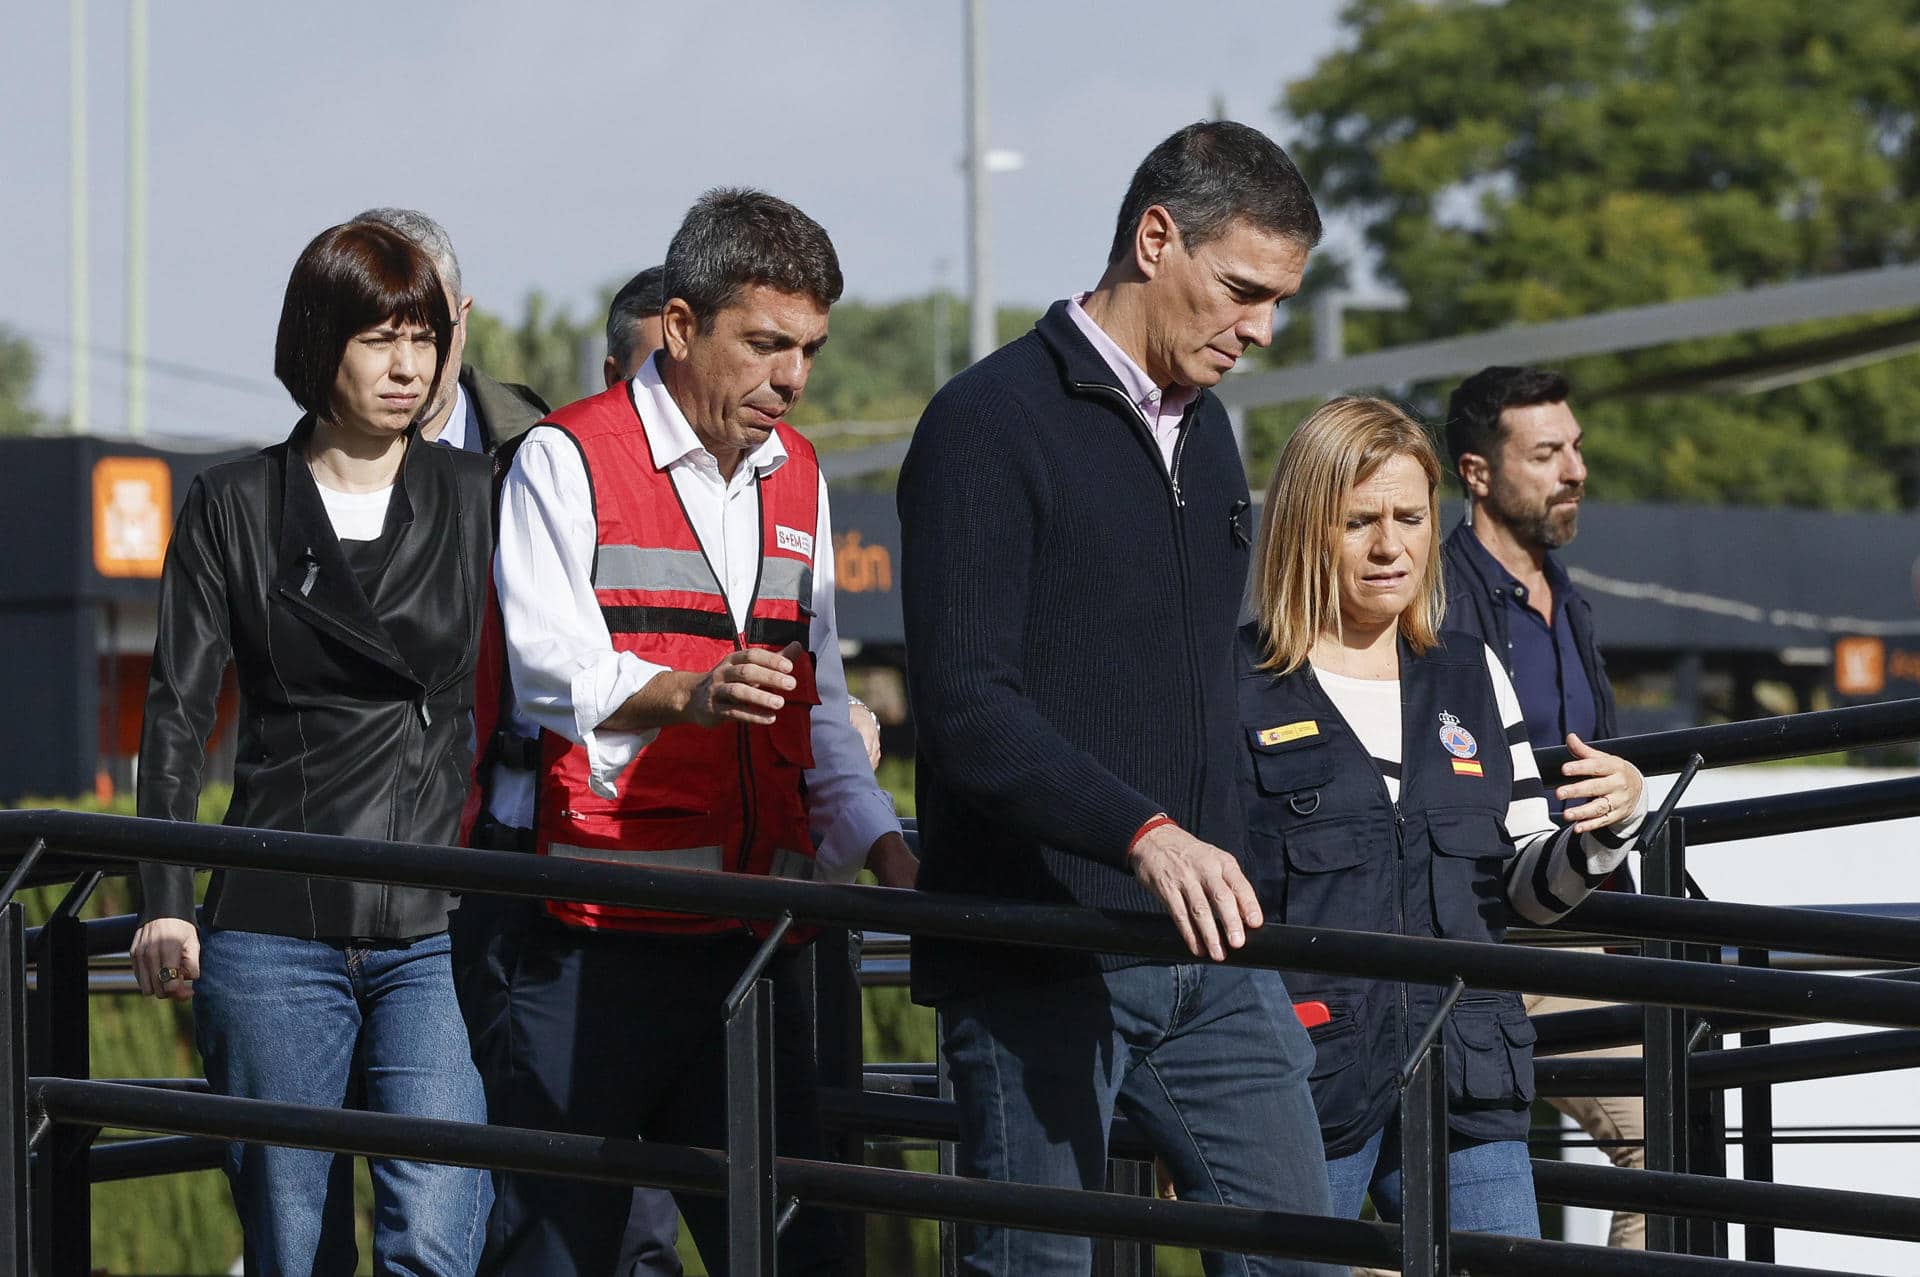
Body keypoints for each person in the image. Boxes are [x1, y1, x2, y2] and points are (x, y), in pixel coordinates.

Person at [899, 120, 1338, 1277]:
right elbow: (964, 705)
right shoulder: (986, 424)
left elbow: (1204, 690)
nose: (1263, 329)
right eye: (1244, 289)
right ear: (1156, 239)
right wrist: (1141, 834)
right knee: (1034, 1268)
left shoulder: (1210, 432)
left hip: (1207, 955)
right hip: (1037, 952)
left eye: (1282, 300)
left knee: (1302, 1252)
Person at [478, 187, 914, 1277]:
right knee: (555, 1252)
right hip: (597, 942)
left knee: (802, 1251)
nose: (795, 377)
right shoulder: (563, 457)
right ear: (679, 328)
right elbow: (545, 670)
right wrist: (694, 691)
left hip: (758, 944)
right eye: (766, 343)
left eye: (810, 347)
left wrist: (885, 846)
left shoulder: (801, 472)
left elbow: (812, 707)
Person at [128, 221, 494, 1275]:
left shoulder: (478, 497)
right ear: (316, 343)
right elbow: (177, 711)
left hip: (436, 920)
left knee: (435, 1227)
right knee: (297, 1249)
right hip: (273, 926)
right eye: (380, 337)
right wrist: (163, 893)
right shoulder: (232, 505)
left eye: (422, 337)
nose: (407, 365)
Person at [1235, 396, 1648, 1245]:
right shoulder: (1231, 684)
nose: (1391, 545)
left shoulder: (1470, 670)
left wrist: (1607, 828)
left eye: (1410, 517)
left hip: (1469, 1069)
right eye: (1359, 521)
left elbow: (1524, 888)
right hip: (1301, 1081)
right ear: (1306, 528)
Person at [1441, 365, 1645, 1249]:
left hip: (1588, 912)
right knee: (1665, 1137)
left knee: (1684, 1117)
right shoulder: (1436, 598)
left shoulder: (1569, 601)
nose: (1575, 470)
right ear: (1477, 472)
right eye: (1547, 452)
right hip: (1499, 926)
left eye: (1577, 448)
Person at [353, 207, 550, 455]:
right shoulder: (295, 477)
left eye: (427, 338)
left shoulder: (538, 456)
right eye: (380, 339)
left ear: (462, 321)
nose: (406, 368)